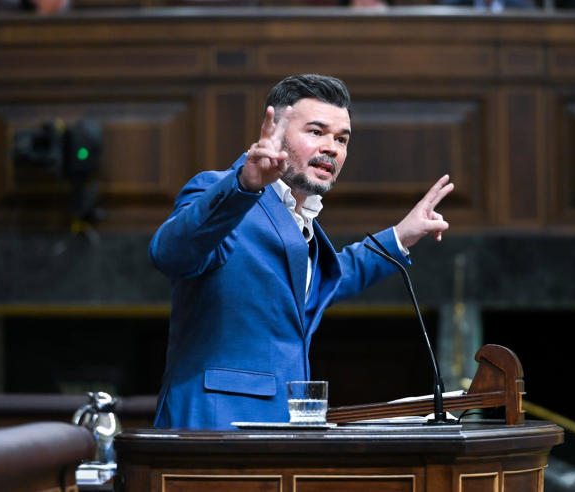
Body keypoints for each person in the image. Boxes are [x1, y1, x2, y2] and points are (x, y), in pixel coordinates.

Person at [149, 74, 453, 430]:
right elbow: (170, 253)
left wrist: (399, 237)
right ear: (276, 132)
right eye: (316, 132)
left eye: (341, 139)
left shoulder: (299, 217)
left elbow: (319, 283)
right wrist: (243, 187)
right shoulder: (220, 190)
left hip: (285, 429)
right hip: (212, 426)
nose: (331, 148)